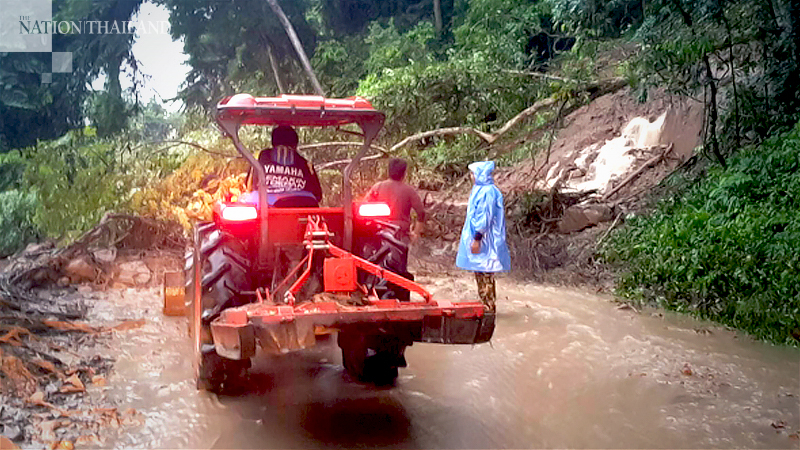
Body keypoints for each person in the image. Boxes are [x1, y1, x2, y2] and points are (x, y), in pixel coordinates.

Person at [456, 160, 510, 312]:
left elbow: (484, 218)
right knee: (481, 272)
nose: (471, 177)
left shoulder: (487, 192)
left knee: (486, 274)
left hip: (485, 240)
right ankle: (486, 305)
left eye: (473, 173)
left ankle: (488, 309)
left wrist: (477, 239)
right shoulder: (481, 190)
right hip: (482, 239)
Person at [258, 125, 322, 206]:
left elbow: (251, 186)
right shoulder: (304, 163)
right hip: (302, 210)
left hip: (269, 209)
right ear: (295, 144)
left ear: (273, 142)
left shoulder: (262, 158)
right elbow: (318, 195)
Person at [365, 158, 426, 239]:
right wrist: (416, 233)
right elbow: (421, 213)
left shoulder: (377, 187)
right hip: (400, 233)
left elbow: (364, 206)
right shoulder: (409, 191)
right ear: (404, 174)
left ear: (388, 171)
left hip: (378, 230)